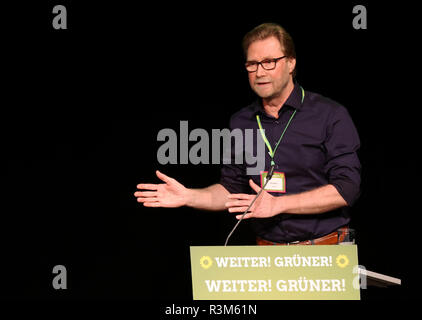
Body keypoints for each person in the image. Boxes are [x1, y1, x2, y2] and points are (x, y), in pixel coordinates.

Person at [134, 23, 361, 245]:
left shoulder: (330, 115)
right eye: (252, 64)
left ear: (291, 63)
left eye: (269, 62)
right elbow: (231, 189)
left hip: (327, 248)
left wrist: (279, 204)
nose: (260, 72)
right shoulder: (241, 121)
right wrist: (189, 196)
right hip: (267, 252)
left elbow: (346, 189)